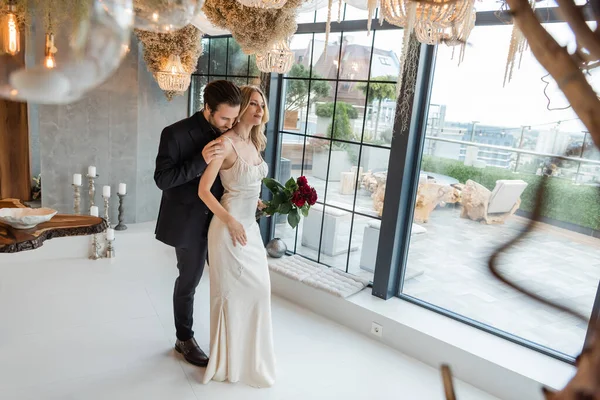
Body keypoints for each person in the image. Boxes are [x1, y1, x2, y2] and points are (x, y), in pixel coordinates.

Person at [154, 80, 242, 367]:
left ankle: (233, 338)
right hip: (189, 221)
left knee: (229, 279)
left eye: (234, 118)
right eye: (225, 118)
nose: (230, 124)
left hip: (221, 217)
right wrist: (199, 161)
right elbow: (163, 180)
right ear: (207, 108)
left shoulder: (232, 133)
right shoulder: (174, 133)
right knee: (189, 281)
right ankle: (184, 338)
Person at [198, 85, 276, 387]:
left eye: (262, 105)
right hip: (228, 229)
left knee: (259, 291)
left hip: (250, 228)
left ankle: (248, 359)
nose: (259, 110)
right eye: (254, 104)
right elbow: (204, 190)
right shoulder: (224, 144)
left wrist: (256, 202)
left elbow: (245, 185)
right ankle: (228, 362)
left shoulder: (255, 143)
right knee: (230, 297)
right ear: (241, 107)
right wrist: (230, 220)